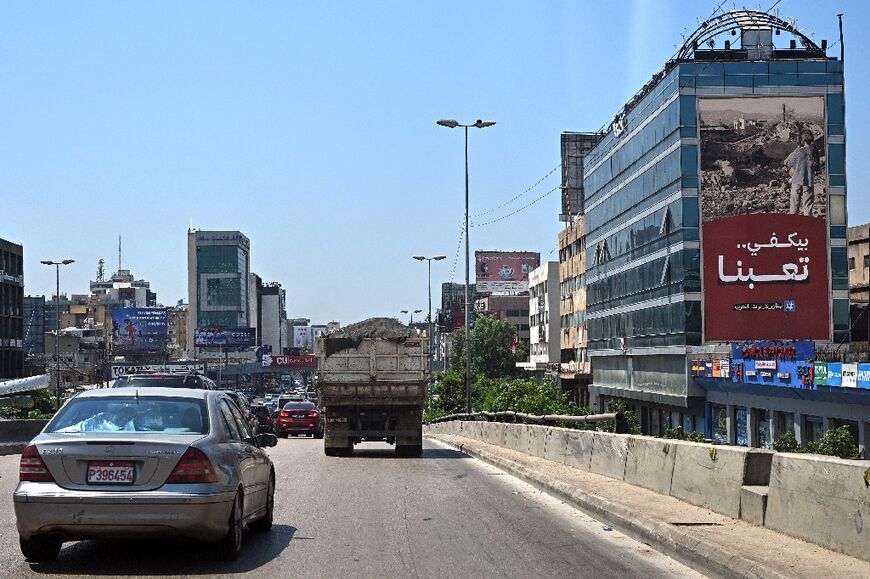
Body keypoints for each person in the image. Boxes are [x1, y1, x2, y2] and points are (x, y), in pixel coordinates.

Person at [783, 133, 815, 216]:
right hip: (809, 181)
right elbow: (817, 166)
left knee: (794, 203)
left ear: (802, 140)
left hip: (797, 179)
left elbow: (789, 163)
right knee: (808, 205)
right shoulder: (814, 150)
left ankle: (793, 223)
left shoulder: (798, 151)